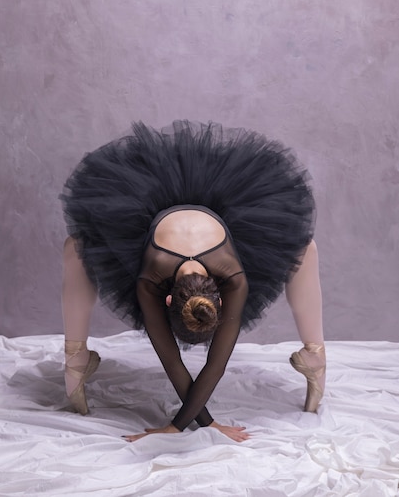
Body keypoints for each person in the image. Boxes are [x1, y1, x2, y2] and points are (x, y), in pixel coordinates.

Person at [60, 121, 325, 443]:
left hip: (199, 205)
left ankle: (75, 358)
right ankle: (315, 354)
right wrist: (196, 423)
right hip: (167, 204)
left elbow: (176, 358)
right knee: (305, 249)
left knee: (75, 248)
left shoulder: (164, 278)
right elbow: (213, 364)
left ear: (169, 301)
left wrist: (182, 424)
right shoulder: (227, 277)